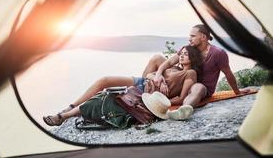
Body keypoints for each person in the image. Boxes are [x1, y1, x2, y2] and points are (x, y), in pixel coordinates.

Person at [43, 45, 203, 126]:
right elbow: (147, 75)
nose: (181, 56)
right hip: (142, 84)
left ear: (193, 57)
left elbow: (181, 98)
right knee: (104, 80)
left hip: (146, 96)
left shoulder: (190, 74)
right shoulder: (172, 67)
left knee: (104, 96)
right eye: (180, 53)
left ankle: (62, 117)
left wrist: (158, 100)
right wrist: (157, 77)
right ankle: (70, 106)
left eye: (186, 54)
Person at [144, 24, 251, 120]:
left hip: (200, 87)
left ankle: (183, 110)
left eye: (193, 36)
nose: (189, 39)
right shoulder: (189, 48)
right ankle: (143, 87)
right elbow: (170, 62)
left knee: (198, 87)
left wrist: (237, 91)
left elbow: (228, 73)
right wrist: (158, 75)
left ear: (203, 37)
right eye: (190, 36)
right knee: (156, 58)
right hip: (184, 80)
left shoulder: (218, 53)